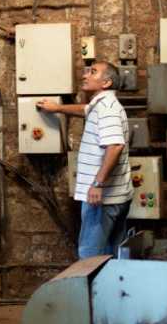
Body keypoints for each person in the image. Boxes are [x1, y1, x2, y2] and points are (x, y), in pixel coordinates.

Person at [37, 61, 133, 258]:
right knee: (113, 255)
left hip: (102, 198)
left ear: (106, 83)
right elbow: (85, 110)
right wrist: (57, 108)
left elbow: (115, 146)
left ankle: (92, 289)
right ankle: (109, 289)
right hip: (114, 195)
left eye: (93, 72)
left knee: (90, 256)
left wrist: (98, 183)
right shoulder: (101, 104)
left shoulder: (107, 109)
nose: (85, 75)